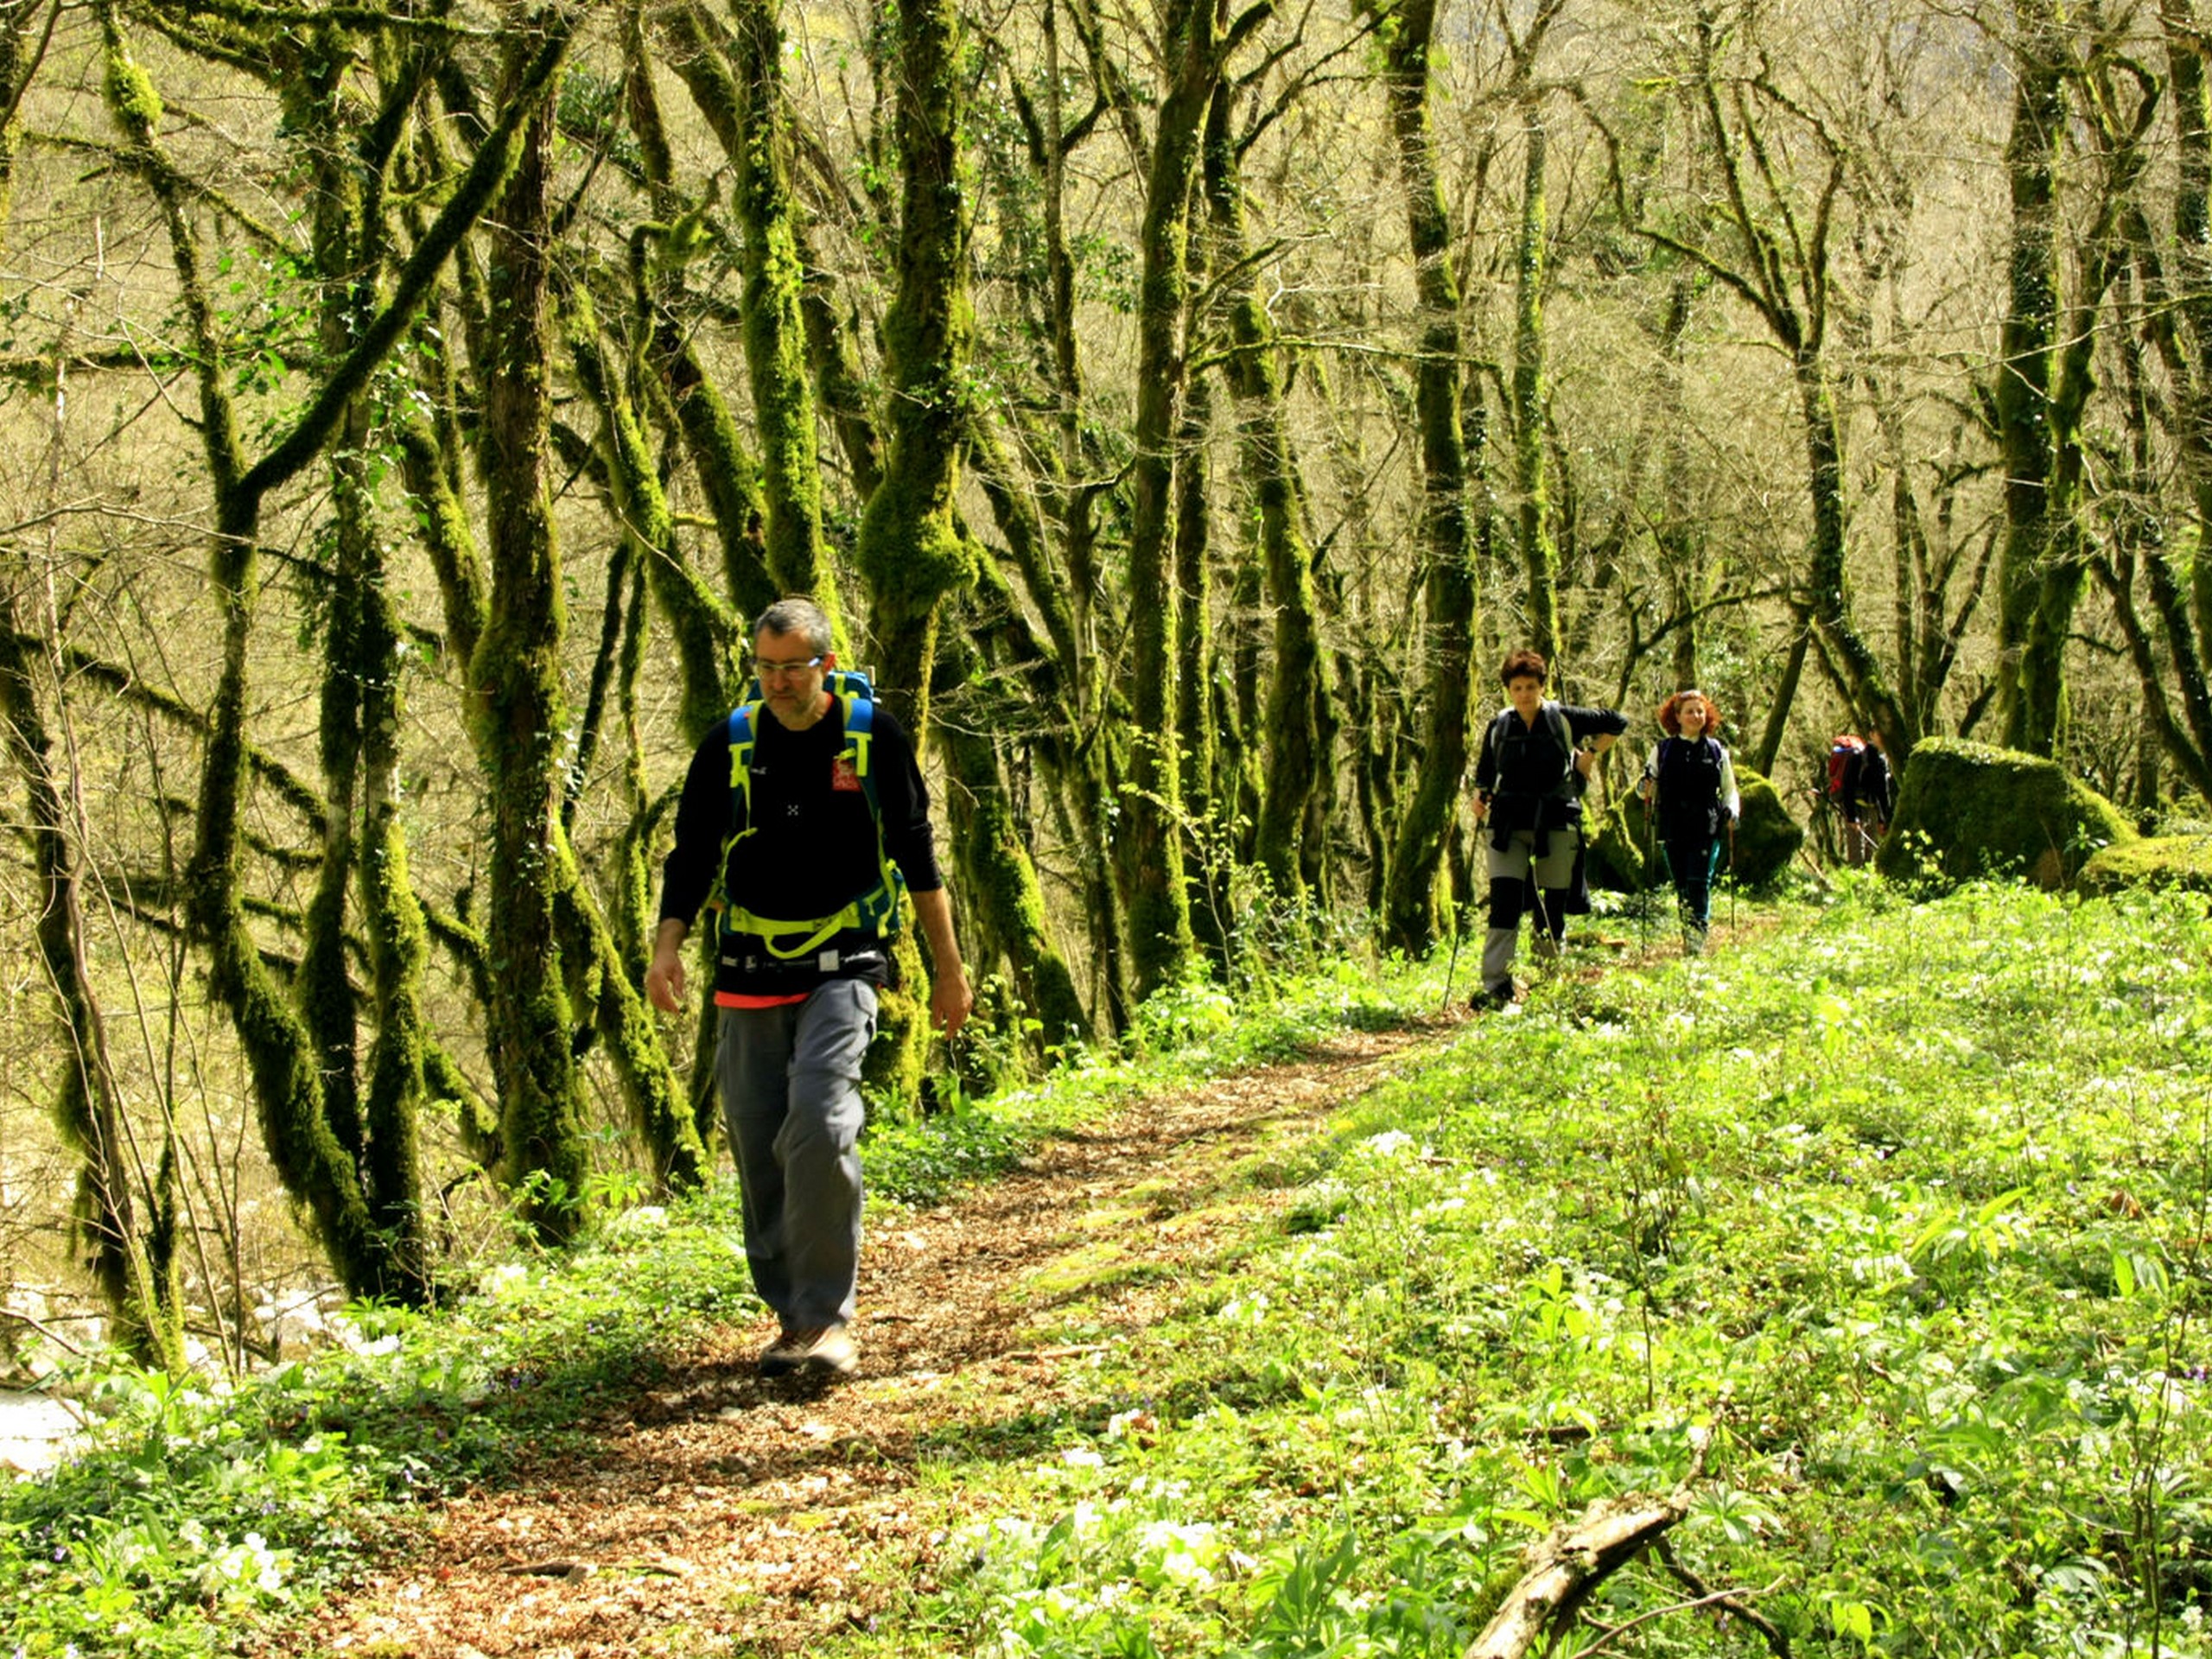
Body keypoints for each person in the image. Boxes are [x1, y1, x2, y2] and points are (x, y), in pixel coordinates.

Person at [645, 596, 972, 1380]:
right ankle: (793, 1319)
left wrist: (949, 970)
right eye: (766, 667)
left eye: (794, 667)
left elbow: (919, 857)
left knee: (821, 1125)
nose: (779, 682)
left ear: (826, 666)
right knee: (760, 1150)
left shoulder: (870, 738)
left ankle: (828, 1321)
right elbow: (690, 854)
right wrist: (667, 951)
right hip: (748, 972)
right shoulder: (728, 744)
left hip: (845, 965)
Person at [1469, 649, 1625, 1009]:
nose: (1524, 694)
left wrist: (1590, 755)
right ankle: (1497, 985)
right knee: (1504, 903)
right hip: (1508, 824)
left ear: (1543, 687)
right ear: (1508, 689)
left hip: (1557, 820)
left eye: (1531, 687)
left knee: (1550, 906)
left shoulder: (1563, 718)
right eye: (1517, 687)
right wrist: (1480, 797)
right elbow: (1485, 772)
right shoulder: (1499, 724)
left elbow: (1616, 721)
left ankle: (1546, 982)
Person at [1638, 689, 1739, 957]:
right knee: (1683, 885)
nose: (1696, 716)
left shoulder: (1717, 751)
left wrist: (1732, 811)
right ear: (1677, 717)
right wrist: (1645, 787)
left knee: (1698, 882)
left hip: (1706, 825)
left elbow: (1729, 790)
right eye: (1690, 711)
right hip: (1672, 825)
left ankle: (1697, 942)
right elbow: (1645, 789)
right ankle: (1689, 937)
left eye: (1700, 711)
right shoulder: (1662, 750)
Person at [1841, 731, 1891, 865]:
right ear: (1871, 735)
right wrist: (1852, 818)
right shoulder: (1858, 757)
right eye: (1878, 734)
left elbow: (1883, 794)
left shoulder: (1883, 760)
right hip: (1856, 808)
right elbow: (1848, 788)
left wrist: (1883, 820)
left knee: (1871, 855)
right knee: (1856, 855)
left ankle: (1867, 883)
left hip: (1873, 809)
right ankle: (1854, 884)